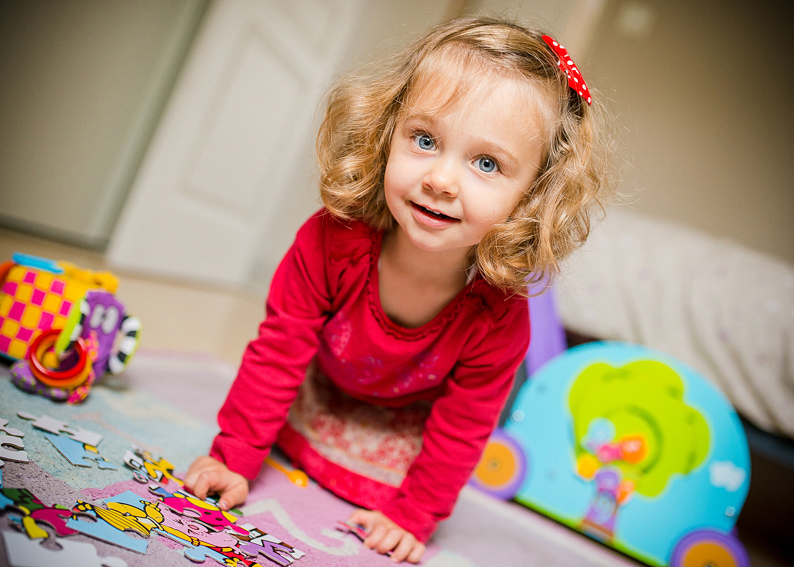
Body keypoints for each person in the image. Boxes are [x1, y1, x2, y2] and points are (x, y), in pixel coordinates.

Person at [185, 16, 613, 563]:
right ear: (389, 131)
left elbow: (463, 427)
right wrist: (234, 457)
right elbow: (277, 352)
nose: (441, 179)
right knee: (280, 419)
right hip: (322, 387)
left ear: (532, 196)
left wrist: (412, 517)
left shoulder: (501, 318)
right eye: (425, 140)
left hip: (406, 421)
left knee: (407, 485)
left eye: (486, 163)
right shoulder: (328, 241)